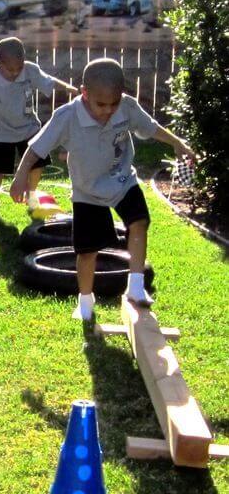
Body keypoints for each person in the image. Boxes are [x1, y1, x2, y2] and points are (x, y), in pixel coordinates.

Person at [10, 58, 195, 320]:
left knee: (139, 222)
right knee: (87, 251)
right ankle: (85, 301)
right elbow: (35, 150)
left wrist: (177, 143)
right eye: (101, 104)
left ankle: (136, 286)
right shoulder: (67, 116)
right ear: (84, 93)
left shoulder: (127, 107)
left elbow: (151, 128)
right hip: (88, 191)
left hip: (122, 180)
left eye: (114, 103)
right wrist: (20, 178)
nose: (108, 110)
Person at [0, 37, 77, 217]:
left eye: (19, 67)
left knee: (38, 163)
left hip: (29, 129)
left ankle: (32, 195)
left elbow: (50, 82)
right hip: (3, 132)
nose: (15, 73)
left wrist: (70, 88)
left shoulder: (30, 71)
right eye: (10, 69)